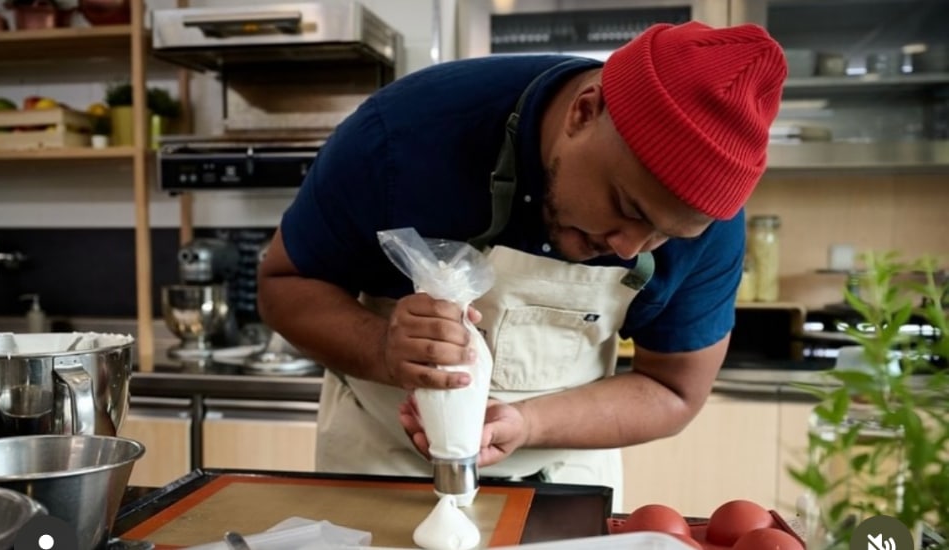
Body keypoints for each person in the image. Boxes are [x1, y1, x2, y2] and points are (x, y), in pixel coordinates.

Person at [257, 21, 787, 510]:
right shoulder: (402, 136)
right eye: (627, 208)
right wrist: (383, 349)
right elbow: (283, 284)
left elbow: (674, 391)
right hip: (379, 464)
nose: (629, 248)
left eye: (664, 235)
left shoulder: (708, 221)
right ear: (584, 111)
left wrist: (529, 422)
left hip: (562, 477)